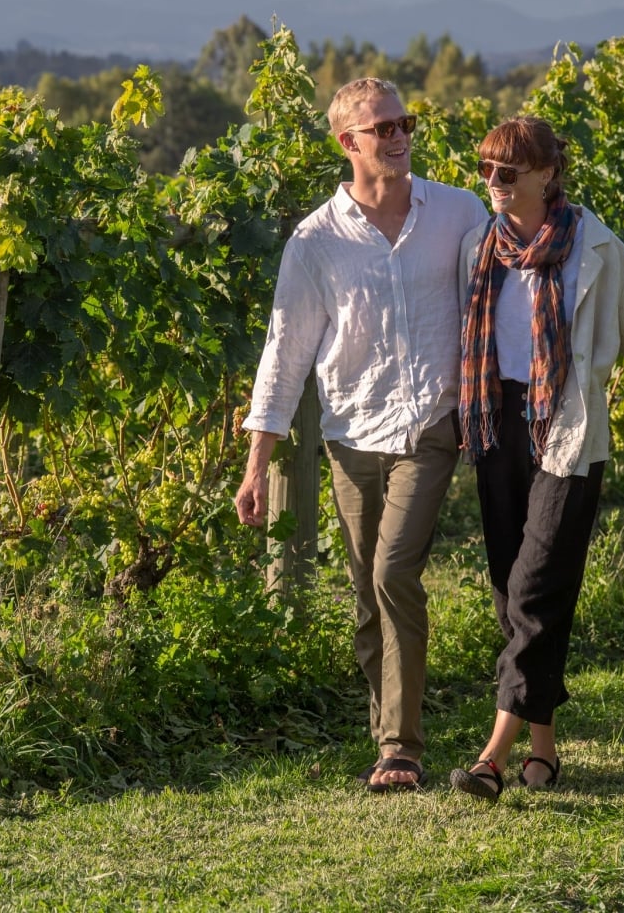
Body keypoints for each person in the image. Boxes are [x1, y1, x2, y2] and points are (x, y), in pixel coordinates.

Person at [448, 116, 624, 801]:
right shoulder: (480, 246)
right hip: (496, 426)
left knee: (537, 589)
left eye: (506, 172)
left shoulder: (595, 250)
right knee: (515, 594)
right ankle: (545, 753)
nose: (493, 184)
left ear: (546, 174)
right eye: (484, 171)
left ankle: (492, 757)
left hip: (565, 431)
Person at [235, 77, 487, 792]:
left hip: (431, 426)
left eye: (404, 122)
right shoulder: (315, 242)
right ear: (347, 142)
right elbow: (285, 355)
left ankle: (402, 746)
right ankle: (388, 738)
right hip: (350, 437)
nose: (400, 135)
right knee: (365, 595)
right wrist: (257, 464)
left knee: (391, 573)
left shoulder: (459, 213)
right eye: (382, 127)